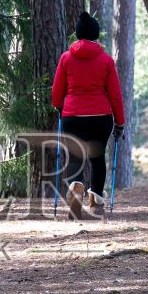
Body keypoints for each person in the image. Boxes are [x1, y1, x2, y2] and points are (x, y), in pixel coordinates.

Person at [50, 12, 126, 219]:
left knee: (75, 157)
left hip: (73, 116)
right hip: (101, 117)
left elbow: (57, 91)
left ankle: (75, 193)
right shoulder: (106, 61)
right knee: (97, 157)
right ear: (95, 34)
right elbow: (116, 96)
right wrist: (120, 122)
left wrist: (58, 106)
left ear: (77, 34)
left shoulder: (66, 58)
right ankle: (96, 203)